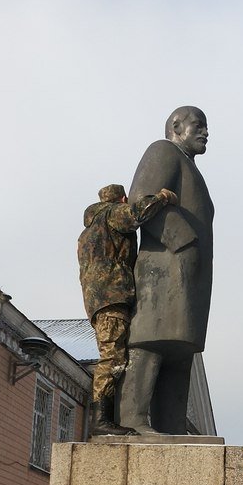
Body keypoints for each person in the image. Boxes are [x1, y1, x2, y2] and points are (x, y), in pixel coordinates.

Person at [118, 106, 215, 435]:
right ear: (176, 126)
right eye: (198, 125)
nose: (205, 132)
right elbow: (141, 199)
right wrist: (184, 242)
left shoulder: (189, 167)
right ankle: (132, 419)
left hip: (187, 275)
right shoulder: (163, 151)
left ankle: (171, 425)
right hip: (163, 267)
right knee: (152, 340)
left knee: (180, 347)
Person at [78, 182, 177, 436]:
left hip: (97, 299)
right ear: (121, 199)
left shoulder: (87, 232)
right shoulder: (112, 214)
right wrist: (163, 197)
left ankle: (105, 417)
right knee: (113, 357)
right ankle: (101, 420)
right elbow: (136, 215)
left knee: (112, 353)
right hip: (113, 295)